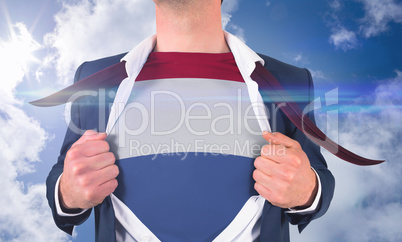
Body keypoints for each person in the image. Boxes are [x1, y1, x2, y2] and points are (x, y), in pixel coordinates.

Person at [45, 0, 335, 241]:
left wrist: (308, 189)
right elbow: (63, 172)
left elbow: (318, 176)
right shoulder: (94, 78)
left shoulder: (290, 80)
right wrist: (68, 191)